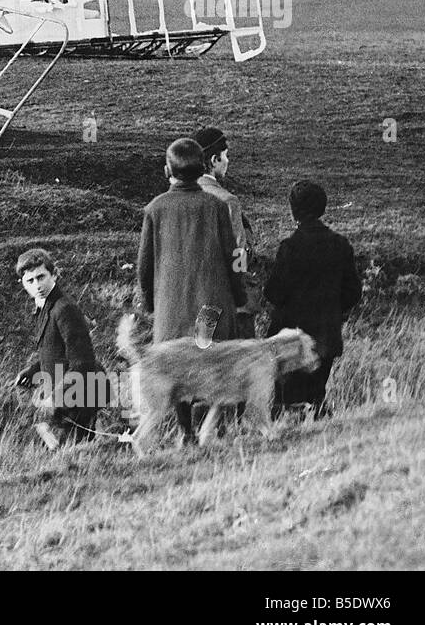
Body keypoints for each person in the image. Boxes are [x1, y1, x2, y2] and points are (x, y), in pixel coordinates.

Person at [137, 138, 247, 439]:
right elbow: (233, 256)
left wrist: (150, 304)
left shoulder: (154, 209)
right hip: (211, 307)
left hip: (170, 307)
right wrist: (239, 296)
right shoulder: (215, 206)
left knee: (175, 367)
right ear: (202, 169)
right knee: (212, 363)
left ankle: (185, 432)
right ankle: (212, 428)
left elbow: (144, 267)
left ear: (166, 171)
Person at [264, 180, 362, 418]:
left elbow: (273, 292)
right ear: (323, 208)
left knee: (285, 401)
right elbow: (353, 292)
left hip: (291, 340)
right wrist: (333, 309)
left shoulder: (289, 247)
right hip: (327, 334)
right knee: (316, 394)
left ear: (293, 211)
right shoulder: (340, 245)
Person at [12, 248, 104, 446]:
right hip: (67, 395)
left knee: (74, 456)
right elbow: (58, 349)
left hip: (80, 396)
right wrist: (34, 368)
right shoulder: (46, 306)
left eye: (41, 277)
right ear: (23, 284)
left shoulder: (64, 308)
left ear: (54, 274)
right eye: (30, 281)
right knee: (55, 451)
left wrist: (54, 398)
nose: (37, 285)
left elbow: (83, 363)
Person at [193, 127, 262, 338]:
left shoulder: (180, 198)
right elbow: (238, 256)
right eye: (226, 156)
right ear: (214, 160)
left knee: (201, 350)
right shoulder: (227, 201)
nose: (227, 161)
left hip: (193, 298)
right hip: (225, 299)